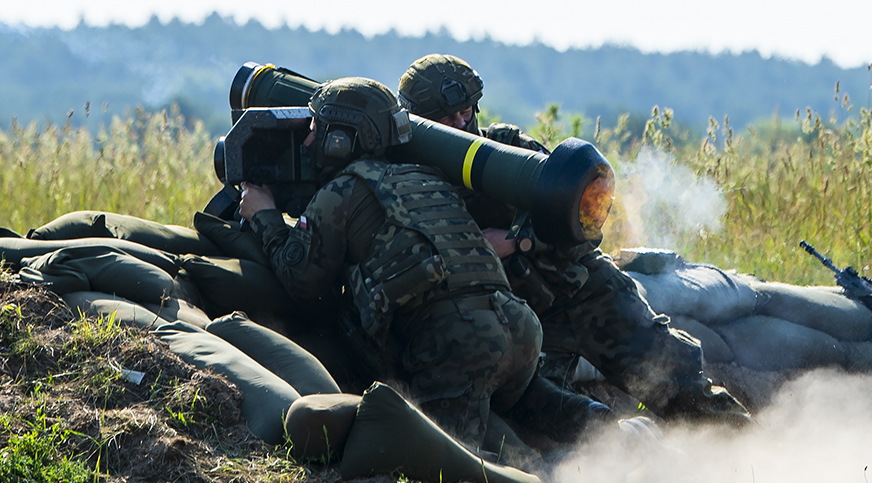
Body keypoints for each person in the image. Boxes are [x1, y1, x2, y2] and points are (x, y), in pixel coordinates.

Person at [396, 54, 750, 425]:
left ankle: (746, 452)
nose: (459, 124)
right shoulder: (413, 185)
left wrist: (515, 241)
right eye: (446, 119)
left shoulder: (510, 151)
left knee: (671, 373)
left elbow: (583, 226)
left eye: (464, 113)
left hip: (583, 293)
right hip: (519, 323)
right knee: (548, 419)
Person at [237, 77, 545, 453]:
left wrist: (264, 216)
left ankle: (549, 481)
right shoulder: (427, 176)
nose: (307, 141)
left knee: (448, 458)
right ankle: (600, 437)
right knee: (518, 410)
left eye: (316, 128)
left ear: (341, 139)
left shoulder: (341, 193)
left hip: (460, 340)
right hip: (521, 326)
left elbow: (300, 280)